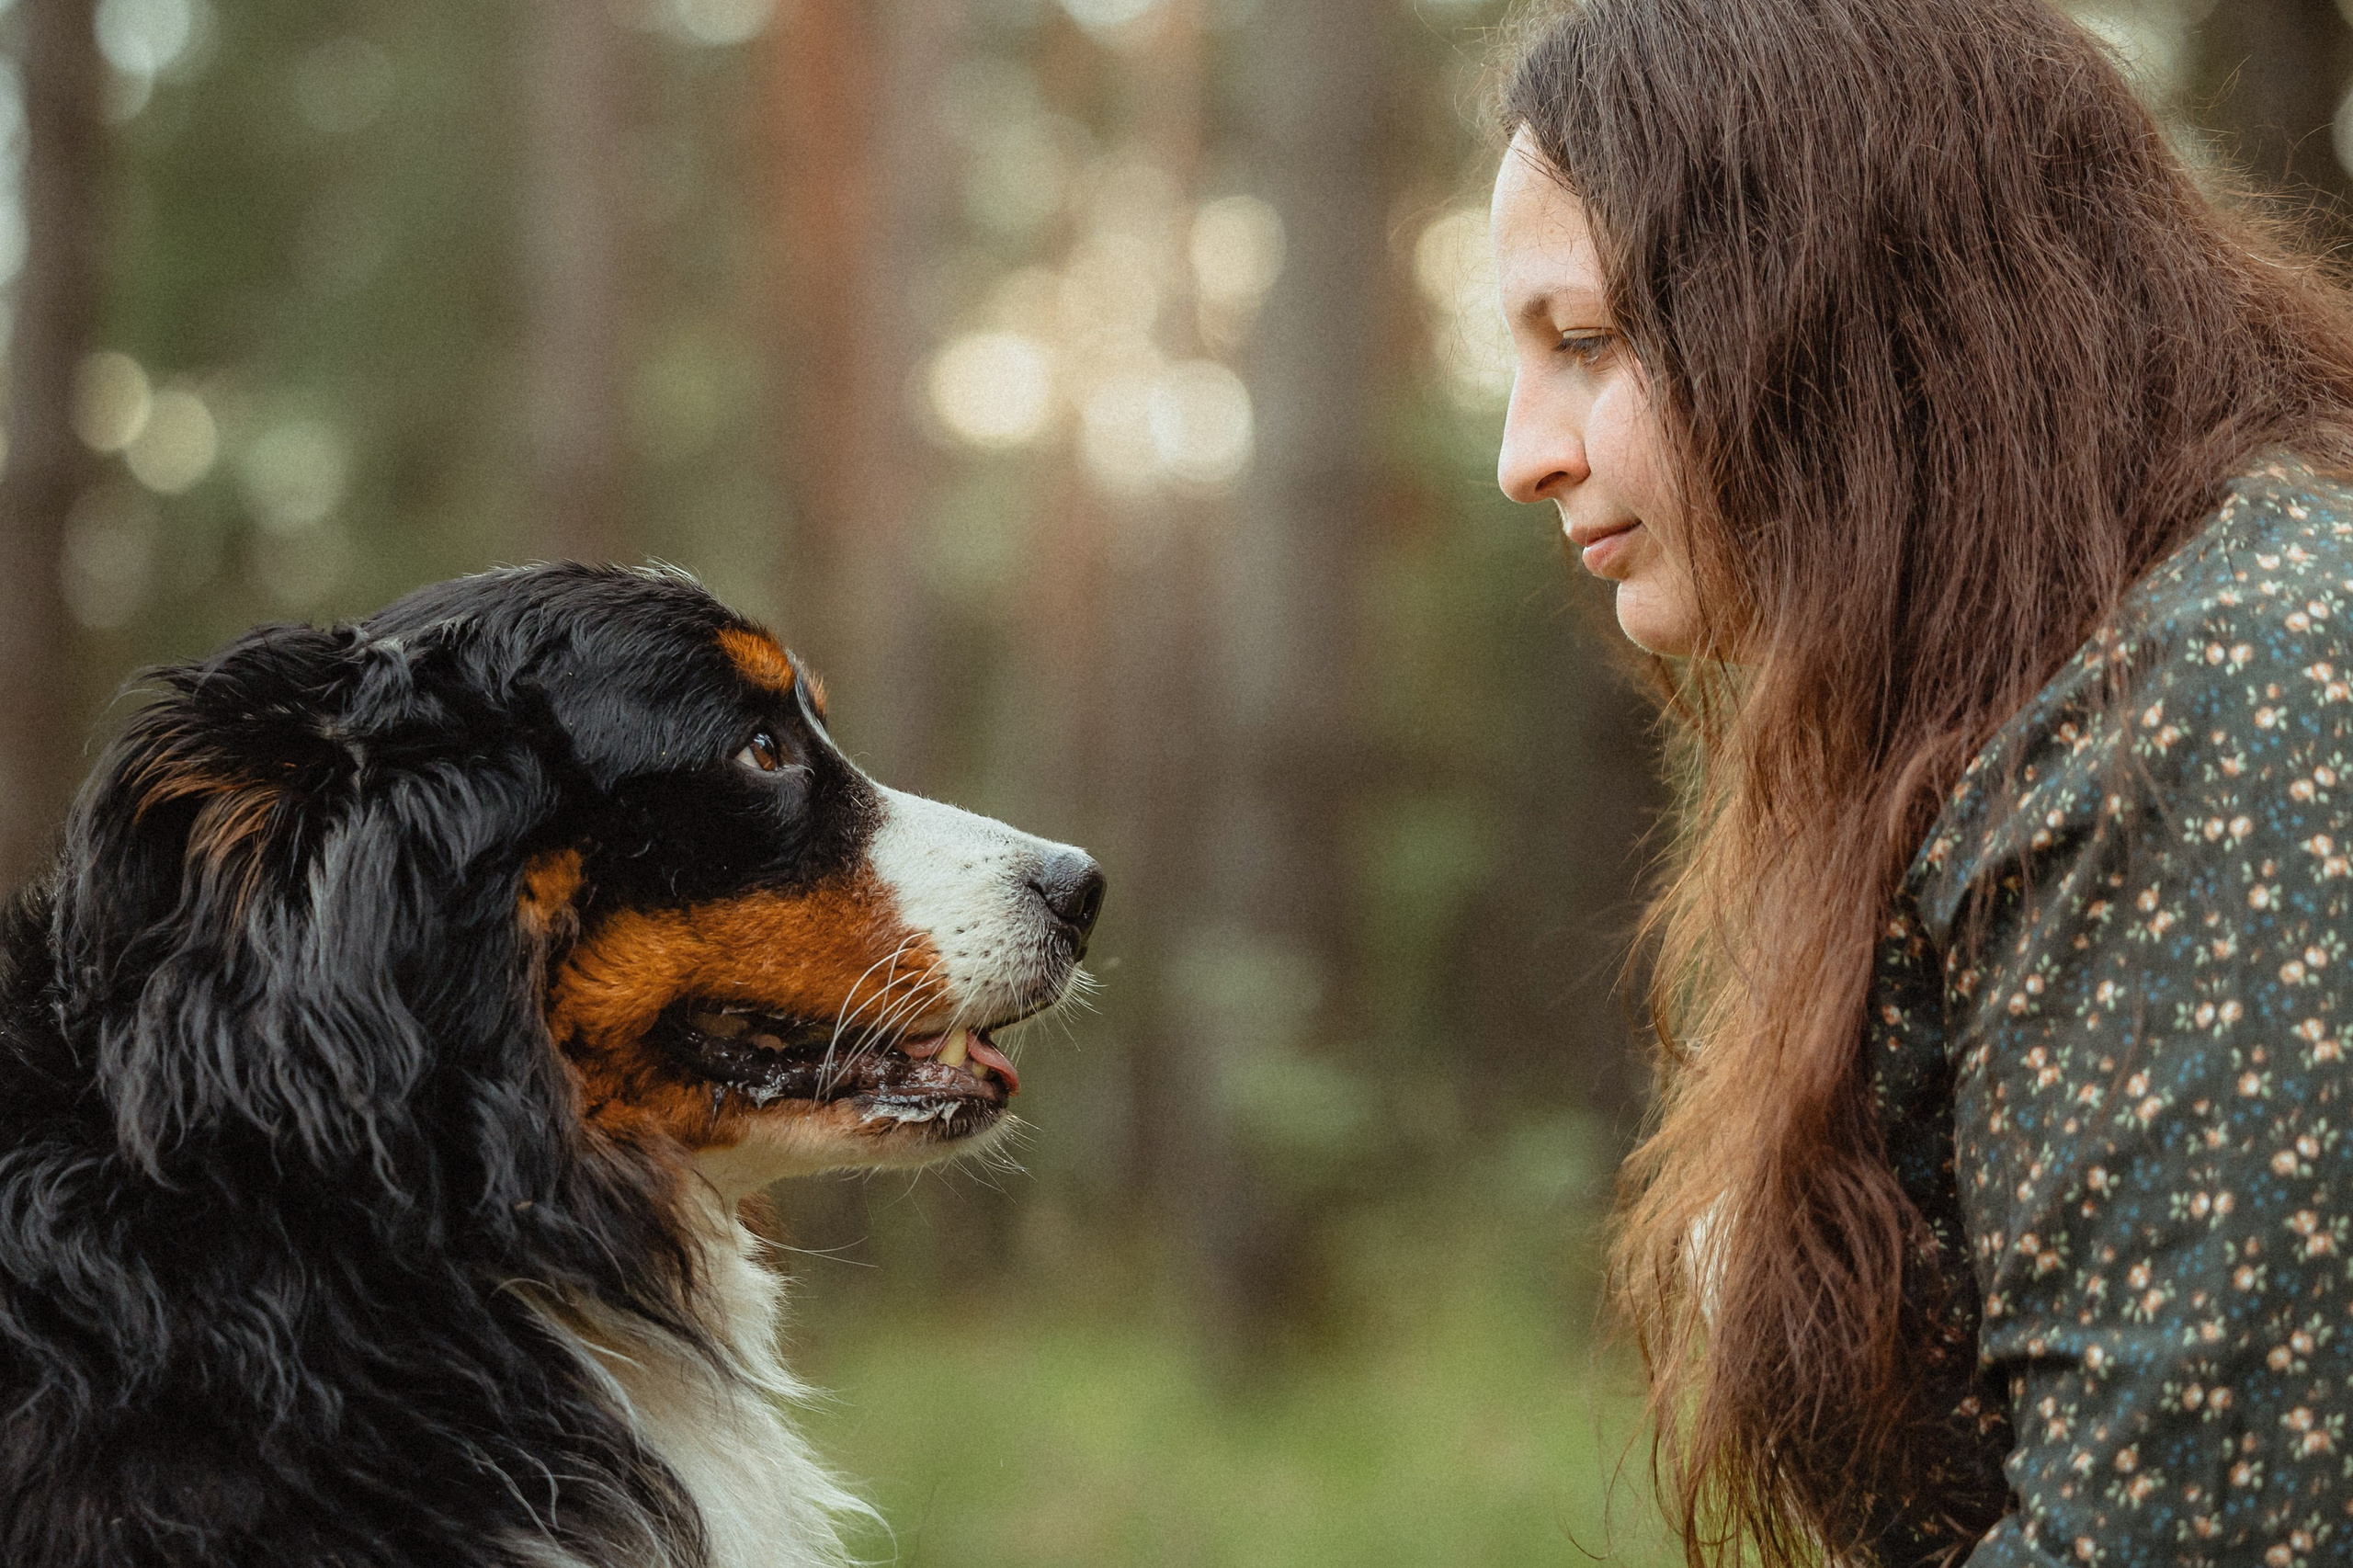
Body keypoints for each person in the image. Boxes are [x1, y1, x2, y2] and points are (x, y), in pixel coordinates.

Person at [1491, 2, 2353, 1563]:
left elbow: (2184, 1531)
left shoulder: (2229, 688)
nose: (1523, 454)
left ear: (1830, 297)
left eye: (1589, 340)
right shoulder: (2017, 703)